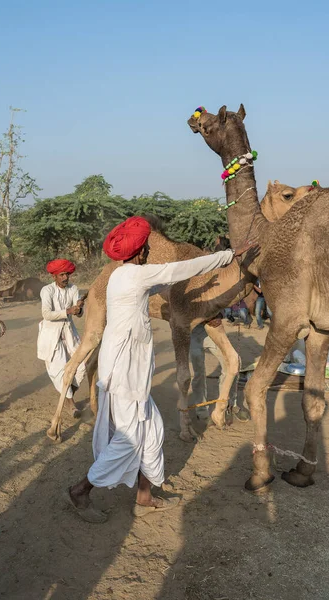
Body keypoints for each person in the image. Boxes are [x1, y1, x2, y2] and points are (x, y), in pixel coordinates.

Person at [67, 216, 255, 523]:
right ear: (140, 252)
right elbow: (177, 271)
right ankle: (81, 490)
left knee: (152, 431)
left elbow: (171, 281)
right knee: (128, 438)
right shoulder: (132, 276)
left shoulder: (124, 275)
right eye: (147, 249)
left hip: (133, 369)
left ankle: (144, 496)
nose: (148, 253)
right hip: (125, 369)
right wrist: (229, 255)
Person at [37, 259, 86, 417]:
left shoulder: (73, 288)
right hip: (52, 336)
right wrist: (68, 311)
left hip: (70, 333)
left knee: (82, 366)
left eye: (67, 274)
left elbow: (78, 313)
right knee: (58, 370)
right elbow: (46, 314)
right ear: (54, 276)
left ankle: (67, 393)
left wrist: (79, 309)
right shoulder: (47, 291)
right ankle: (70, 403)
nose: (65, 278)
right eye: (62, 275)